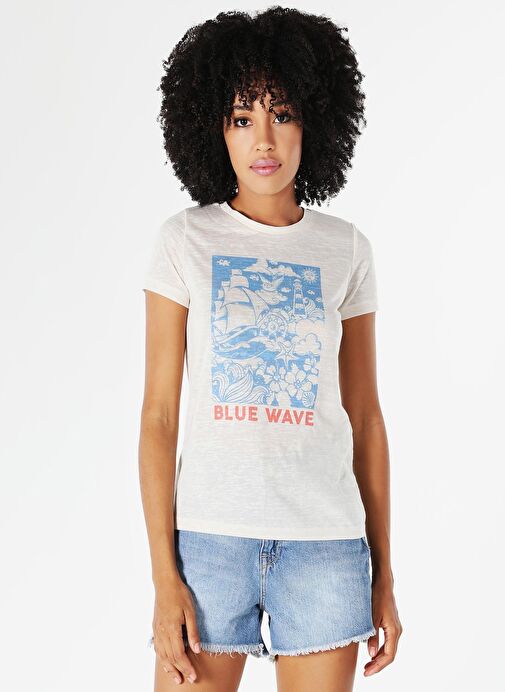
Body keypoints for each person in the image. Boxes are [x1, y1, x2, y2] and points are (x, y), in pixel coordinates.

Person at [139, 7, 402, 691]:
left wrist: (383, 575)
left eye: (281, 113)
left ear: (314, 121)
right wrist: (164, 578)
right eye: (241, 117)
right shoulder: (184, 240)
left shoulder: (346, 249)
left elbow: (366, 417)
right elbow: (159, 418)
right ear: (213, 128)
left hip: (324, 550)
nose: (263, 139)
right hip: (208, 545)